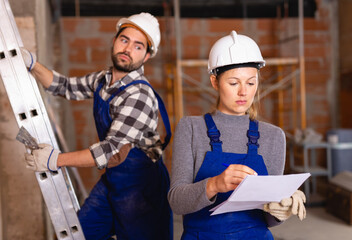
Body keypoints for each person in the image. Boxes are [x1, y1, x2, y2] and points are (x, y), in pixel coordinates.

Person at [22, 12, 173, 240]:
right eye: (124, 40)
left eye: (138, 46)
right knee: (77, 235)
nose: (127, 49)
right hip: (114, 181)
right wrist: (32, 64)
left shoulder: (139, 95)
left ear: (147, 55)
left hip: (142, 190)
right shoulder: (104, 79)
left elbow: (111, 152)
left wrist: (55, 160)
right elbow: (65, 86)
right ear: (114, 41)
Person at [167, 30, 307, 239]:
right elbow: (177, 202)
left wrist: (280, 210)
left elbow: (266, 219)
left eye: (251, 83)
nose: (244, 92)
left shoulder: (273, 136)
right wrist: (214, 184)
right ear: (215, 82)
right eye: (234, 83)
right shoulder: (191, 128)